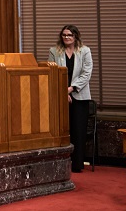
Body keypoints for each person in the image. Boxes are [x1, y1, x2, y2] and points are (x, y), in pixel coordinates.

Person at [48, 25, 93, 173]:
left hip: (80, 96)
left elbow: (86, 74)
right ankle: (61, 163)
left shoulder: (85, 51)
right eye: (64, 35)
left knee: (78, 130)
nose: (66, 37)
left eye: (70, 35)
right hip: (61, 97)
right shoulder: (54, 51)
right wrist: (63, 92)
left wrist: (71, 88)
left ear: (76, 36)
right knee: (61, 130)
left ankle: (77, 164)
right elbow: (52, 74)